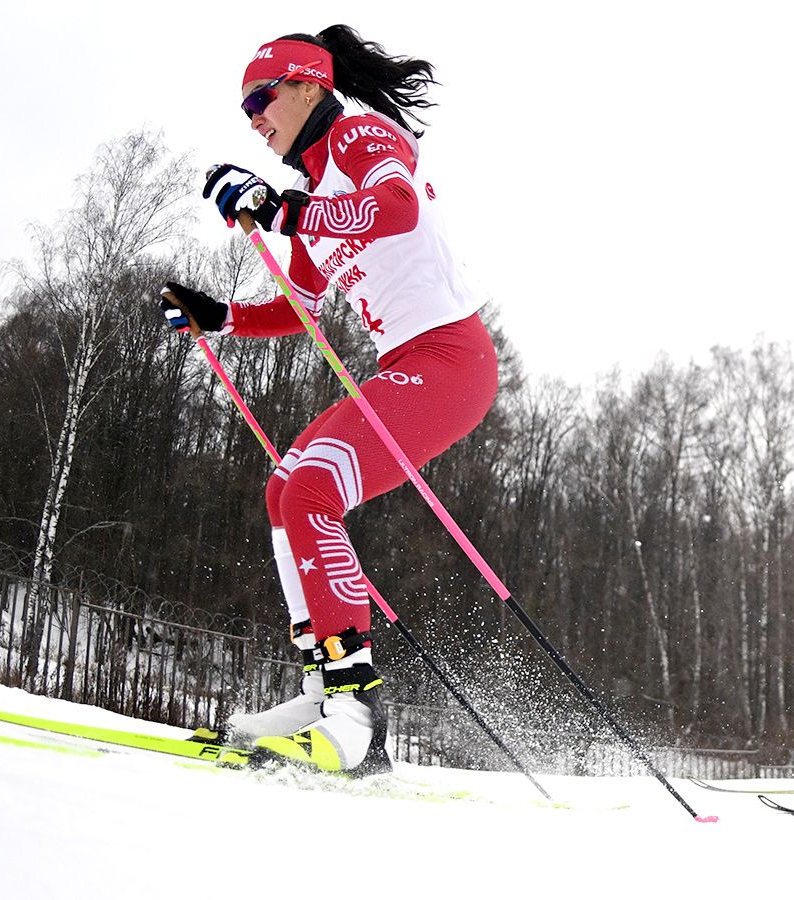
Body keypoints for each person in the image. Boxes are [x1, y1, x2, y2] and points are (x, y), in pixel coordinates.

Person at [157, 25, 494, 775]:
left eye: (261, 98)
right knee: (285, 489)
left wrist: (281, 213)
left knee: (312, 488)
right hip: (406, 363)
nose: (253, 119)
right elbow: (301, 307)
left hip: (450, 359)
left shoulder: (361, 138)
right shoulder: (310, 197)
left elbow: (395, 210)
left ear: (309, 84)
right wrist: (221, 316)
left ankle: (357, 714)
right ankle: (321, 695)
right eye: (244, 110)